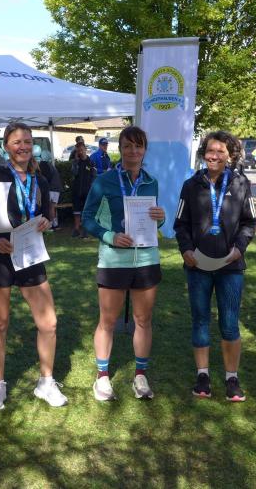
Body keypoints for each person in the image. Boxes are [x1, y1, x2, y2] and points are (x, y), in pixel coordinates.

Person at [0, 122, 68, 409]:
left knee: (49, 323)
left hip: (30, 256)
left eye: (28, 141)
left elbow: (46, 215)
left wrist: (46, 222)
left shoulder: (39, 179)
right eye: (17, 142)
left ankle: (46, 382)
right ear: (6, 146)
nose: (23, 147)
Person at [83, 126, 166, 401]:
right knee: (107, 320)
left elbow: (154, 222)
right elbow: (87, 218)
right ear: (120, 149)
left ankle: (140, 375)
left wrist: (161, 218)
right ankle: (102, 377)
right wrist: (109, 236)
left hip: (146, 258)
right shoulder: (104, 180)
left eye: (138, 146)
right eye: (128, 146)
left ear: (145, 150)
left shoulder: (151, 182)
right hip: (114, 259)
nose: (133, 151)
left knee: (143, 319)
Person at [174, 131, 256, 402]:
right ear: (203, 153)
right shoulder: (191, 185)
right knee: (200, 319)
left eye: (221, 151)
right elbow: (180, 224)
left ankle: (232, 378)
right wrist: (186, 250)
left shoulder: (241, 183)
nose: (215, 156)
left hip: (230, 266)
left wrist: (239, 248)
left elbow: (249, 222)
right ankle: (203, 375)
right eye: (211, 150)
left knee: (230, 323)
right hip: (198, 265)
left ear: (230, 156)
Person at [71, 141, 95, 238]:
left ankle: (85, 230)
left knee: (85, 211)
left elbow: (94, 176)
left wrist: (92, 188)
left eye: (81, 150)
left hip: (87, 191)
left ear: (85, 149)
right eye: (78, 151)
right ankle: (76, 229)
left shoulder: (91, 162)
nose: (80, 152)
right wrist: (76, 161)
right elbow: (74, 173)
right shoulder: (76, 162)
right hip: (77, 191)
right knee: (77, 211)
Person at [35, 145, 62, 230]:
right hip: (56, 188)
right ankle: (54, 224)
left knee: (51, 207)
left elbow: (46, 178)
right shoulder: (48, 164)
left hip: (52, 189)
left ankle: (50, 225)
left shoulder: (43, 165)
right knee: (53, 208)